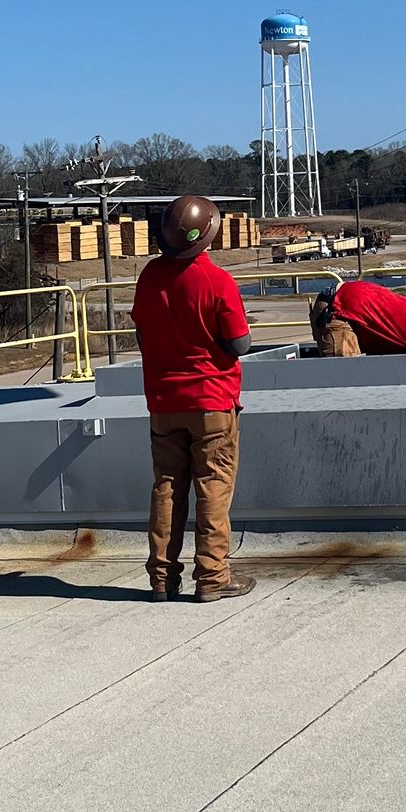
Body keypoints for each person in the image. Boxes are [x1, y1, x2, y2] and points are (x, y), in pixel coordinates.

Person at [130, 193, 255, 602]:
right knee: (213, 488)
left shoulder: (149, 277)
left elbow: (143, 335)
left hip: (164, 403)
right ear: (209, 237)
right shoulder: (216, 280)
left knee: (166, 487)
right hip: (212, 402)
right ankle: (213, 577)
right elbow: (239, 344)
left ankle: (162, 578)